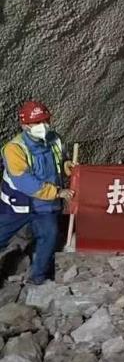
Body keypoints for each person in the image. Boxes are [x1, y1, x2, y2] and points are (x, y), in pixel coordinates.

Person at [0, 102, 75, 285]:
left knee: (49, 236)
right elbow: (24, 181)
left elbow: (60, 161)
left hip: (45, 205)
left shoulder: (55, 139)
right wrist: (57, 192)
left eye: (46, 120)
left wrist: (67, 166)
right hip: (17, 204)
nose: (44, 125)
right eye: (38, 122)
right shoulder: (14, 148)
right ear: (25, 125)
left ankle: (38, 278)